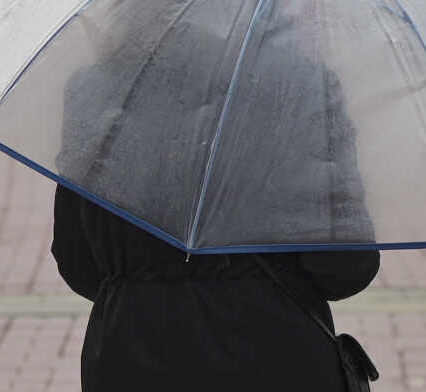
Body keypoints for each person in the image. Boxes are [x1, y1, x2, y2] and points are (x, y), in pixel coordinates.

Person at [50, 21, 380, 391]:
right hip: (278, 354)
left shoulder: (96, 91)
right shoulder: (302, 85)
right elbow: (347, 266)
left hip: (130, 352)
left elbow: (76, 260)